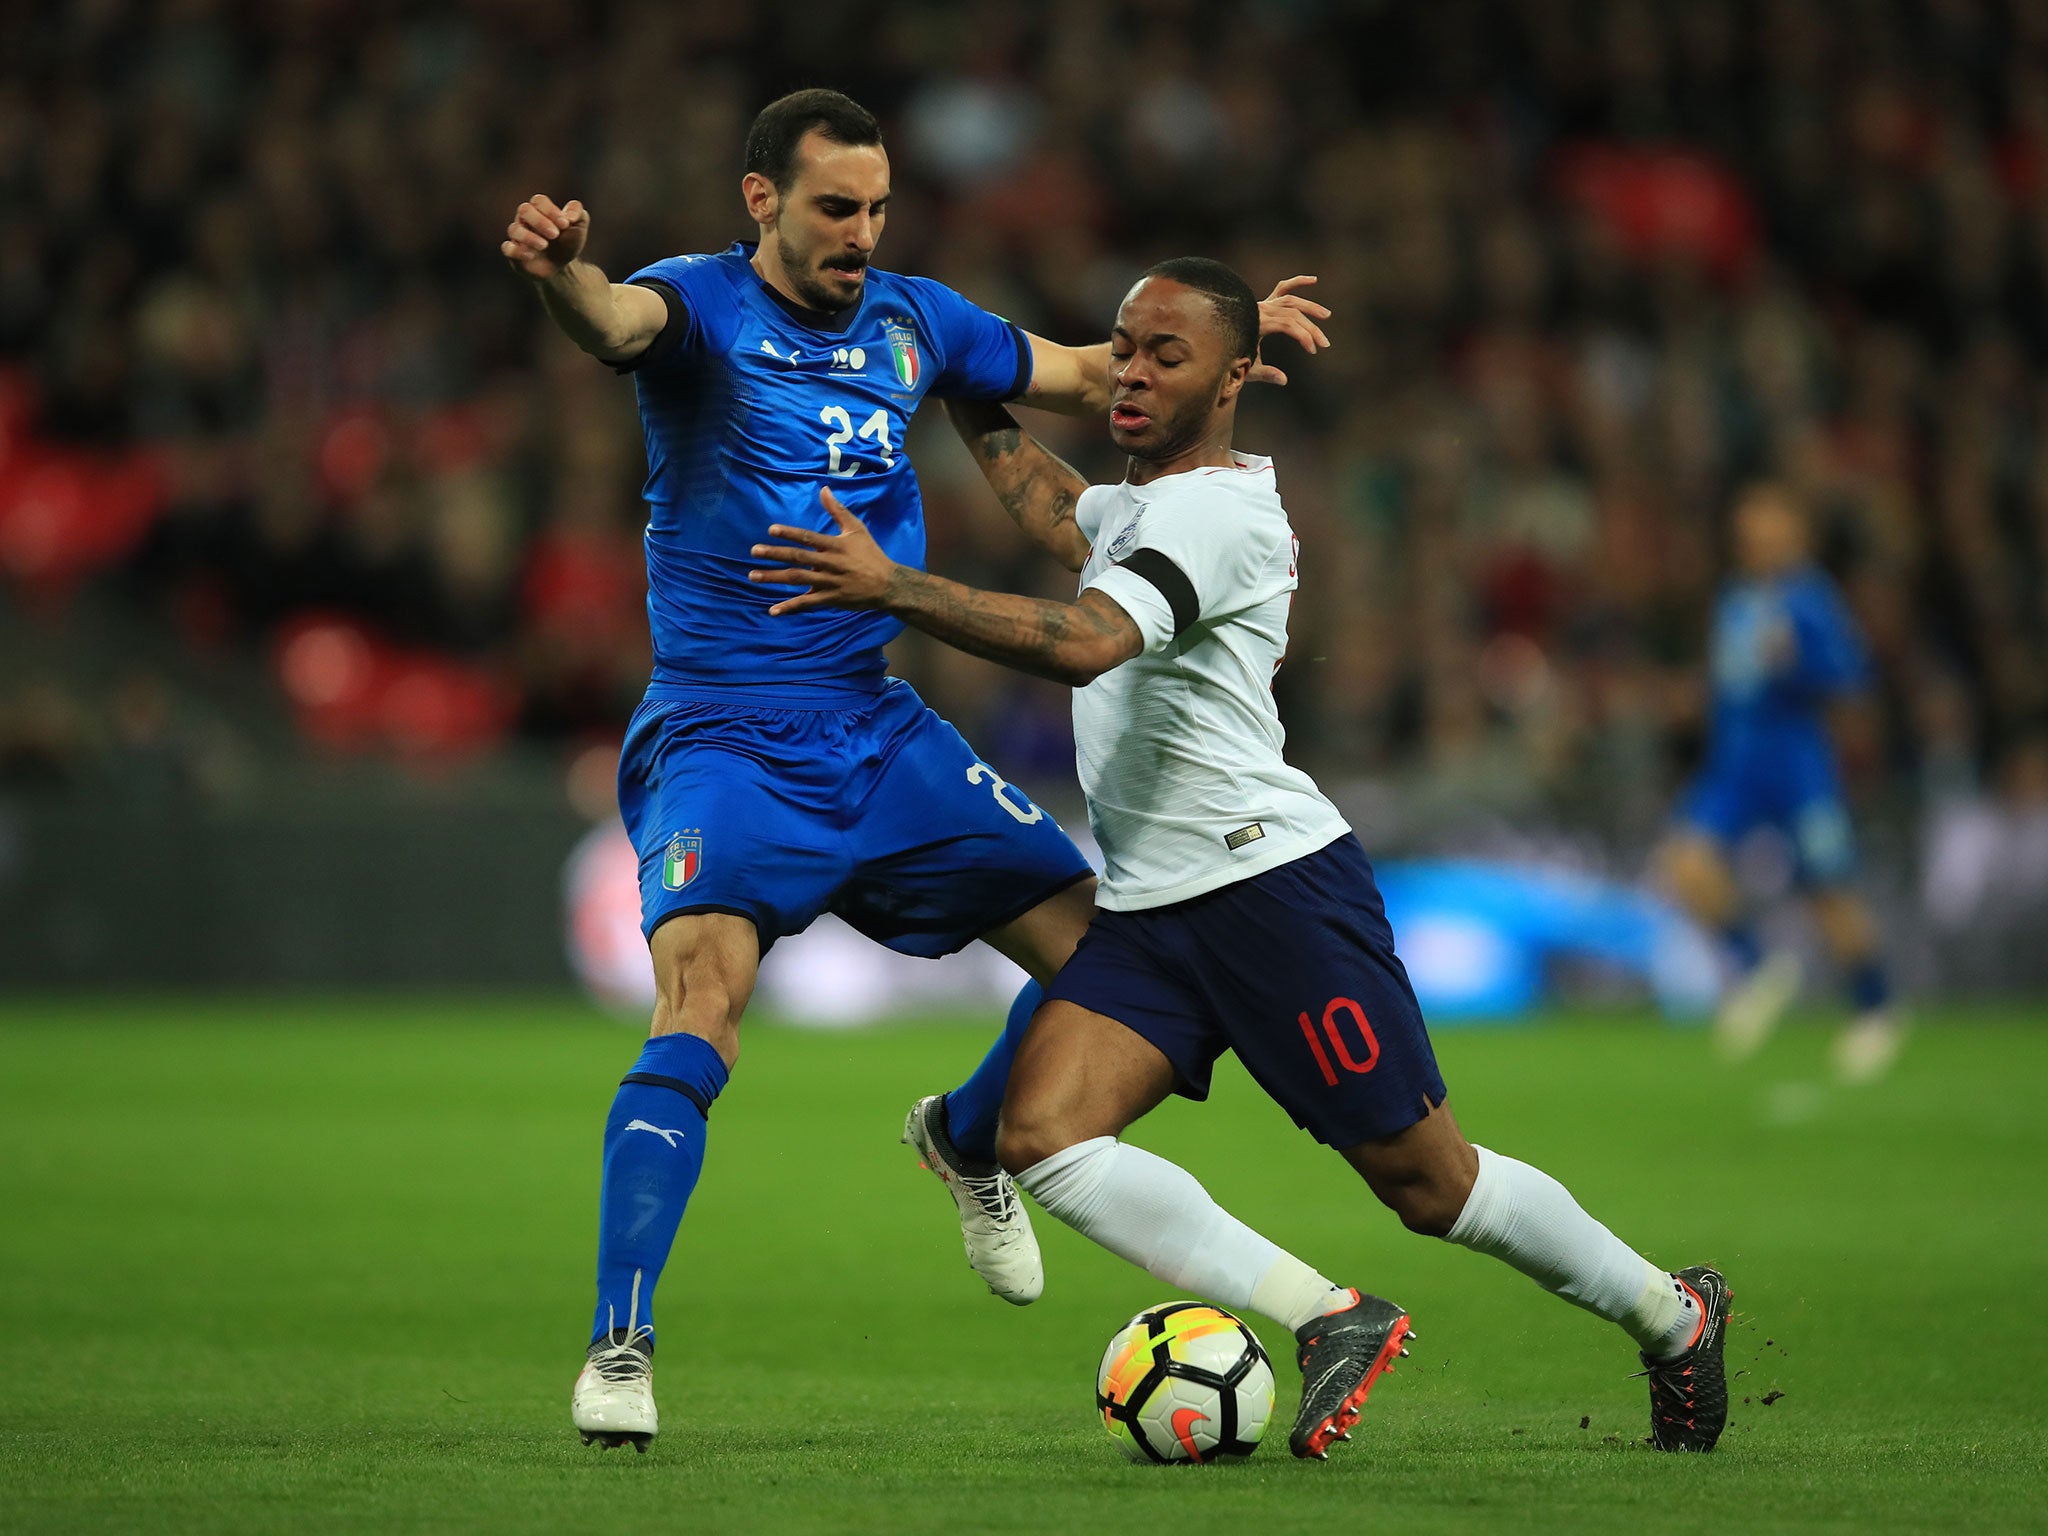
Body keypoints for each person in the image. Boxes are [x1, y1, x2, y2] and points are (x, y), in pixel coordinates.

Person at [749, 257, 1731, 1458]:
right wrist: (964, 383)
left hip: (1270, 892)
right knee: (1044, 1137)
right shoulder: (1146, 503)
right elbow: (1060, 513)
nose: (1127, 372)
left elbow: (1088, 641)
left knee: (1432, 1186)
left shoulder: (1217, 513)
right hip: (1154, 912)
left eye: (1165, 355)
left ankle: (1671, 1318)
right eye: (1121, 346)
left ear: (1233, 381)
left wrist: (894, 586)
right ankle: (1326, 1318)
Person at [499, 90, 1334, 1451]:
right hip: (724, 737)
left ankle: (963, 1137)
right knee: (698, 1008)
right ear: (762, 200)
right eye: (837, 207)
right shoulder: (698, 305)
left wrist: (1225, 345)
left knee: (1121, 965)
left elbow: (1074, 369)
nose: (862, 233)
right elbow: (612, 325)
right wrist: (561, 276)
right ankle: (621, 1344)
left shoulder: (912, 318)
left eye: (878, 208)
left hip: (877, 731)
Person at [1655, 484, 1905, 1084]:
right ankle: (1755, 966)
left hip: (1797, 768)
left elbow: (1850, 677)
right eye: (1749, 532)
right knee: (1685, 864)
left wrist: (1799, 665)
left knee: (1829, 890)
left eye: (1768, 531)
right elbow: (1732, 683)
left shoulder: (1812, 601)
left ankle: (1876, 1008)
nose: (1757, 542)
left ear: (1795, 536)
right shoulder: (1736, 600)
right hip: (1735, 766)